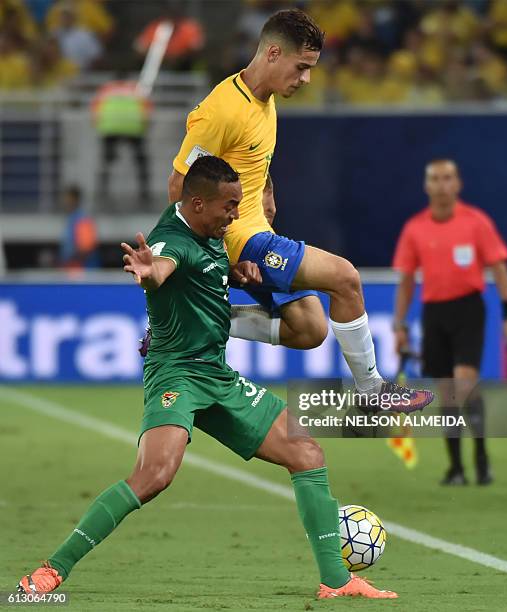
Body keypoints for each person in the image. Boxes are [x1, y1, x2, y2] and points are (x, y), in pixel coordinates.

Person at [17, 156, 397, 600]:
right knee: (155, 475)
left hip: (215, 374)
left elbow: (203, 268)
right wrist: (149, 272)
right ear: (197, 203)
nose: (236, 216)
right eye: (230, 206)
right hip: (175, 373)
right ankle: (51, 571)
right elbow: (162, 266)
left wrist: (236, 273)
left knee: (306, 451)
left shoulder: (209, 230)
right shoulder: (170, 240)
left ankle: (336, 580)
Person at [167, 8, 433, 412]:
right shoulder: (220, 110)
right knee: (345, 278)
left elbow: (248, 161)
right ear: (273, 53)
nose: (306, 79)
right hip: (238, 239)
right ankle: (372, 391)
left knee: (310, 329)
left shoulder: (265, 101)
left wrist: (266, 190)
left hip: (260, 230)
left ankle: (197, 322)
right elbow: (178, 188)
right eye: (302, 67)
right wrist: (206, 262)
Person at [392, 159, 507, 485]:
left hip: (468, 311)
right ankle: (456, 468)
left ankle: (481, 457)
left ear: (458, 183)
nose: (441, 185)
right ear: (427, 186)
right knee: (446, 392)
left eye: (448, 178)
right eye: (435, 179)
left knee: (465, 386)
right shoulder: (415, 228)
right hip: (434, 313)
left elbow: (499, 270)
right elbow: (407, 281)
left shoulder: (476, 223)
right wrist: (399, 325)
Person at [91, 77, 152, 202]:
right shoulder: (135, 89)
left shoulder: (107, 89)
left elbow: (95, 108)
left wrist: (99, 125)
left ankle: (102, 192)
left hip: (110, 127)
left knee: (106, 162)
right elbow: (147, 109)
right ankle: (144, 193)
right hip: (133, 127)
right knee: (140, 161)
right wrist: (145, 125)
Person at [59, 185, 99, 270]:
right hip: (71, 268)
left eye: (68, 198)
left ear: (75, 199)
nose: (65, 201)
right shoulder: (70, 218)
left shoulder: (82, 219)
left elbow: (85, 248)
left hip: (83, 270)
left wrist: (70, 261)